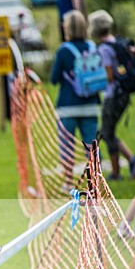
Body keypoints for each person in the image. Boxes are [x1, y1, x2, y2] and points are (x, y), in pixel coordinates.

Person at [89, 9, 135, 180]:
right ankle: (133, 160)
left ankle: (116, 172)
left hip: (113, 95)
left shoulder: (105, 49)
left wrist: (93, 79)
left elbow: (110, 75)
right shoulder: (117, 42)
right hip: (123, 95)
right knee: (107, 131)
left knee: (107, 132)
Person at [50, 10, 100, 187]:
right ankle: (94, 182)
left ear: (67, 28)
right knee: (91, 145)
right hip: (91, 104)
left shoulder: (63, 50)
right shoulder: (92, 47)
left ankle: (68, 182)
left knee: (67, 145)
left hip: (68, 106)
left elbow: (54, 78)